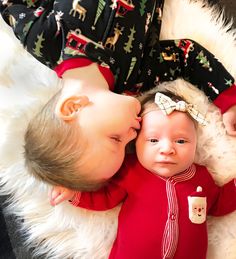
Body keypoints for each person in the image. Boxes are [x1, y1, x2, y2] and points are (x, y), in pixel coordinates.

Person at [1, 0, 236, 191]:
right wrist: (227, 98)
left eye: (115, 138)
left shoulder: (46, 40)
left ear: (72, 107)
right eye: (126, 146)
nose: (132, 134)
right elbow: (187, 54)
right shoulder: (138, 78)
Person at [50, 83, 236, 259]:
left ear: (195, 144)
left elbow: (218, 203)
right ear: (135, 142)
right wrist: (74, 194)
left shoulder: (201, 177)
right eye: (153, 140)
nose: (167, 149)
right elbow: (105, 197)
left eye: (181, 141)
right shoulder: (131, 171)